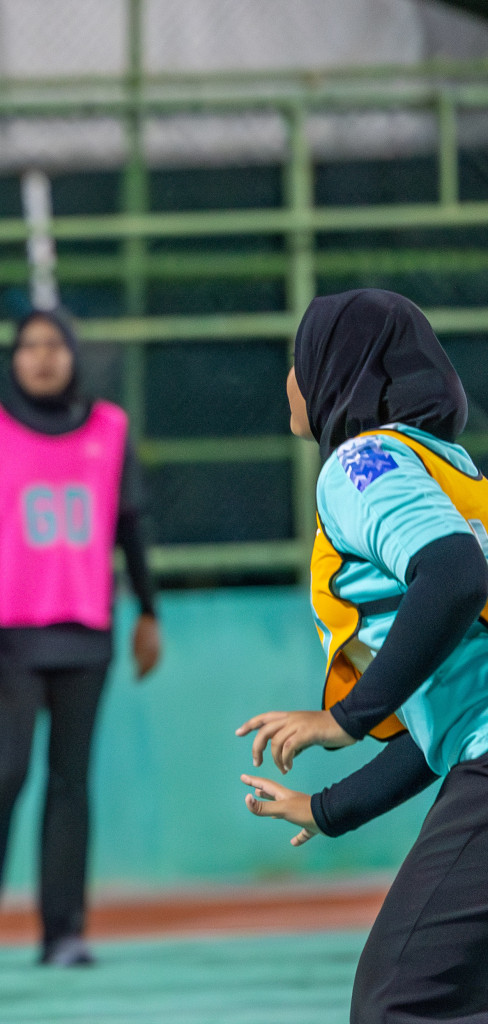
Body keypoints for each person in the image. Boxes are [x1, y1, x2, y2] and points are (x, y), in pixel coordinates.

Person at [237, 289, 488, 1024]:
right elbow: (447, 724)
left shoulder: (361, 460)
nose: (289, 378)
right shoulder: (454, 474)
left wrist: (343, 719)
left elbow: (454, 575)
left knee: (398, 1003)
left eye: (297, 359)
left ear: (335, 370)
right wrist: (329, 808)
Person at [0, 309, 162, 970]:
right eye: (29, 346)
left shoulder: (110, 429)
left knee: (71, 784)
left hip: (87, 631)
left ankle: (64, 933)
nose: (41, 357)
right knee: (5, 774)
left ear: (73, 355)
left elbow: (132, 525)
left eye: (53, 345)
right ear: (13, 358)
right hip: (10, 634)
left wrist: (149, 611)